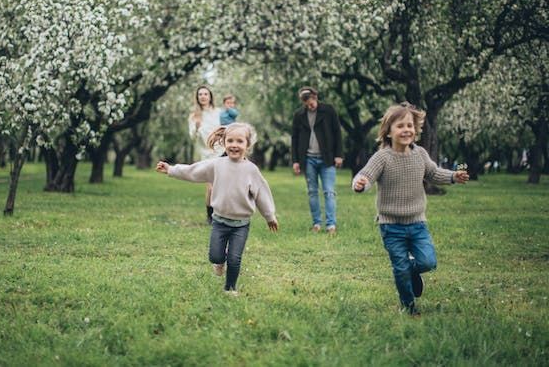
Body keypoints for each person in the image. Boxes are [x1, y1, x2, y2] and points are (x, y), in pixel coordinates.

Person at [352, 102, 469, 316]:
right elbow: (366, 175)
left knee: (428, 261)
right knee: (400, 268)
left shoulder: (420, 154)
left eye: (410, 125)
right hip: (391, 226)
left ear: (415, 129)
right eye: (400, 126)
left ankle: (413, 271)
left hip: (417, 223)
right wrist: (360, 183)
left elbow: (433, 173)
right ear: (388, 131)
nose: (406, 130)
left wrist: (453, 176)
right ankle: (409, 306)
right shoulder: (382, 157)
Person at [156, 122, 279, 295]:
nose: (234, 145)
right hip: (219, 221)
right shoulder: (217, 165)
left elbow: (262, 194)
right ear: (224, 143)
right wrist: (171, 169)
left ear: (247, 145)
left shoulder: (251, 170)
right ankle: (219, 262)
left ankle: (230, 288)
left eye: (239, 141)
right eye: (230, 141)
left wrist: (270, 216)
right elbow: (193, 171)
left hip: (241, 224)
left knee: (235, 259)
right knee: (215, 256)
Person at [291, 86, 343, 235]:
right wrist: (295, 160)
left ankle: (331, 225)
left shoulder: (328, 110)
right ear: (303, 102)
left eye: (311, 101)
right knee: (312, 192)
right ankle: (316, 223)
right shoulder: (299, 115)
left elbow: (337, 132)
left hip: (327, 158)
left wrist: (339, 155)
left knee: (329, 191)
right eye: (306, 103)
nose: (310, 105)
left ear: (315, 97)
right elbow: (294, 138)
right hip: (308, 159)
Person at [188, 85, 222, 224]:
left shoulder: (218, 112)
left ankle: (222, 213)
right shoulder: (194, 116)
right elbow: (192, 137)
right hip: (207, 154)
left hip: (222, 151)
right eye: (200, 94)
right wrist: (196, 127)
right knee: (211, 185)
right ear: (197, 97)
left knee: (221, 184)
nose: (203, 96)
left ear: (210, 96)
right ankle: (210, 215)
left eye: (205, 94)